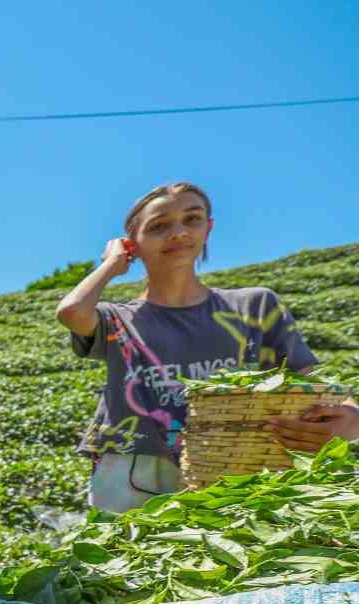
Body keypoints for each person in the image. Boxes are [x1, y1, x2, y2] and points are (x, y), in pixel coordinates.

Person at [56, 181, 325, 513]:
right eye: (158, 226)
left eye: (192, 219)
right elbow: (72, 312)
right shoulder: (117, 320)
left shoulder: (254, 307)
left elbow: (308, 383)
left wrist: (349, 415)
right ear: (132, 245)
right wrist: (112, 264)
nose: (178, 232)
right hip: (134, 467)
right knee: (126, 560)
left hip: (233, 459)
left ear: (208, 228)